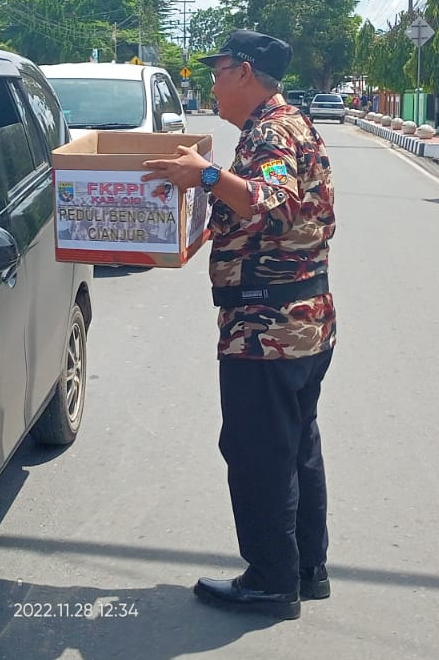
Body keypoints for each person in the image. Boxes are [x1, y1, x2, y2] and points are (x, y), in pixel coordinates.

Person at [141, 30, 335, 621]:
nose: (211, 80)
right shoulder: (282, 124)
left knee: (257, 452)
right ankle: (304, 568)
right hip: (299, 317)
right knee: (295, 446)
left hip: (268, 325)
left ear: (246, 72)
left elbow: (270, 201)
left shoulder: (273, 131)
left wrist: (203, 177)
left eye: (218, 69)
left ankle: (271, 582)